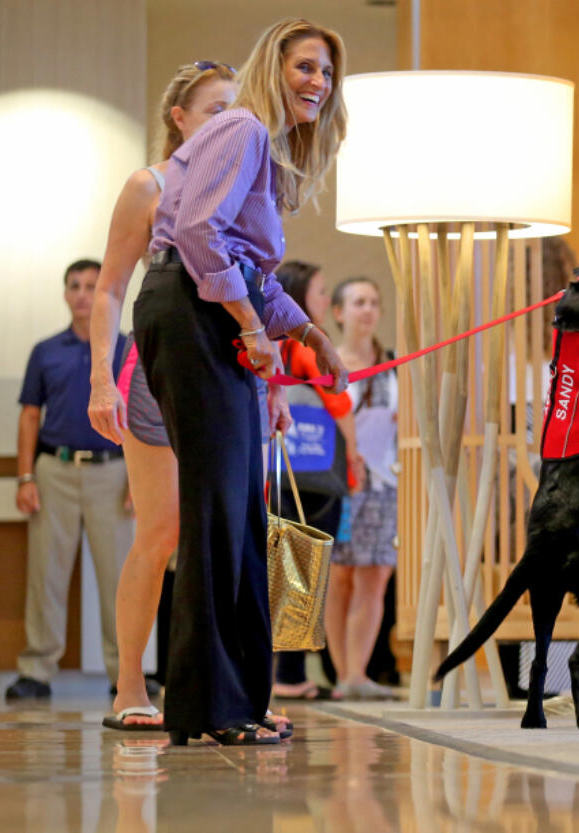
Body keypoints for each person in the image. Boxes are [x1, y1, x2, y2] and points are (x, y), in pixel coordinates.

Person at [133, 17, 349, 745]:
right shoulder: (245, 130)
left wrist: (308, 332)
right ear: (275, 67)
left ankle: (231, 702)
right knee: (219, 515)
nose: (319, 82)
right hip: (190, 314)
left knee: (234, 515)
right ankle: (211, 707)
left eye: (327, 73)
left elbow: (251, 271)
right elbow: (197, 234)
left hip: (207, 315)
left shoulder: (262, 144)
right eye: (307, 67)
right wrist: (254, 330)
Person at [88, 61, 237, 730]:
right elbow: (111, 286)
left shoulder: (242, 184)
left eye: (236, 112)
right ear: (179, 117)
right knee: (161, 531)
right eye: (214, 110)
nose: (227, 123)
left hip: (226, 370)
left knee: (228, 534)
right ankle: (129, 685)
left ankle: (225, 687)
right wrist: (99, 374)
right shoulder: (148, 184)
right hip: (154, 370)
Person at [5, 259, 133, 699]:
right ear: (65, 294)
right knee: (47, 575)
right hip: (54, 471)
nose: (82, 293)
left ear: (104, 293)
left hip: (114, 472)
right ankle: (37, 670)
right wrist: (25, 477)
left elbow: (142, 416)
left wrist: (139, 478)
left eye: (91, 286)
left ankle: (127, 673)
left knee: (120, 578)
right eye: (75, 285)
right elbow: (28, 416)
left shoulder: (127, 347)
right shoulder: (46, 351)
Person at [272, 261, 363, 701]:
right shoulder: (308, 346)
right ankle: (289, 675)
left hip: (277, 474)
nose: (326, 300)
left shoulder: (268, 345)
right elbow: (339, 403)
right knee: (306, 573)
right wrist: (355, 455)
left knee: (281, 571)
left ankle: (284, 672)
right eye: (321, 292)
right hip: (315, 479)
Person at [326, 277, 399, 701]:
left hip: (384, 482)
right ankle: (343, 674)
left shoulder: (392, 365)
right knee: (341, 577)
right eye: (358, 302)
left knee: (376, 575)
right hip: (340, 484)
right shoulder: (328, 365)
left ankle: (358, 671)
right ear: (339, 312)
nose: (367, 310)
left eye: (373, 302)